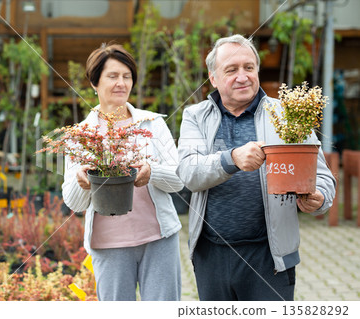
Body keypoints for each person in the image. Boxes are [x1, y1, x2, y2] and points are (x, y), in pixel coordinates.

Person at [176, 34, 336, 301]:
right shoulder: (195, 116)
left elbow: (321, 175)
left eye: (249, 67)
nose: (243, 76)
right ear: (213, 78)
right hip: (211, 255)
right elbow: (188, 173)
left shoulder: (287, 114)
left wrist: (319, 197)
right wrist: (231, 159)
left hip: (270, 256)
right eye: (231, 70)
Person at [62, 43, 183, 301]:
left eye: (127, 77)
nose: (121, 83)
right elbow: (72, 202)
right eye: (113, 76)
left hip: (158, 240)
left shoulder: (153, 124)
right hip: (109, 246)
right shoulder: (80, 136)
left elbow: (178, 179)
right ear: (94, 83)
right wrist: (81, 182)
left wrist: (152, 171)